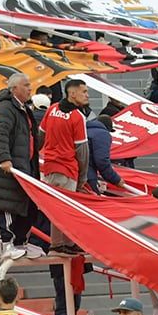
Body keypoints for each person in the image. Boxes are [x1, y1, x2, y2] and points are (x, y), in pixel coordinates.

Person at [0, 73, 41, 261]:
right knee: (9, 207)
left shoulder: (23, 108)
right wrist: (4, 159)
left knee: (29, 207)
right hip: (9, 169)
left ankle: (20, 243)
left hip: (26, 166)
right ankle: (7, 244)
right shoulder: (5, 108)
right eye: (26, 85)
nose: (30, 88)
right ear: (14, 88)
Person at [38, 79, 89, 255]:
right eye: (84, 91)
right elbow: (82, 150)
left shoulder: (52, 109)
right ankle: (62, 243)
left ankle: (60, 243)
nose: (87, 95)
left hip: (49, 166)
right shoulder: (78, 116)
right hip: (67, 168)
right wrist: (82, 177)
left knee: (56, 207)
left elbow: (40, 135)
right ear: (72, 93)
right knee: (67, 209)